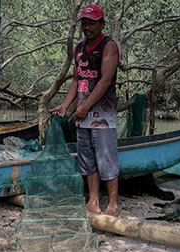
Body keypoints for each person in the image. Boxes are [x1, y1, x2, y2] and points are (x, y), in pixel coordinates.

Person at [49, 4, 120, 216]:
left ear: (102, 24)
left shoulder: (109, 46)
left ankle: (113, 205)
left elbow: (106, 80)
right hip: (82, 115)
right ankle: (93, 202)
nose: (87, 27)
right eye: (84, 23)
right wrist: (65, 105)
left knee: (106, 159)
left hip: (103, 116)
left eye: (92, 23)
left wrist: (85, 106)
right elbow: (76, 80)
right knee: (87, 158)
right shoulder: (79, 49)